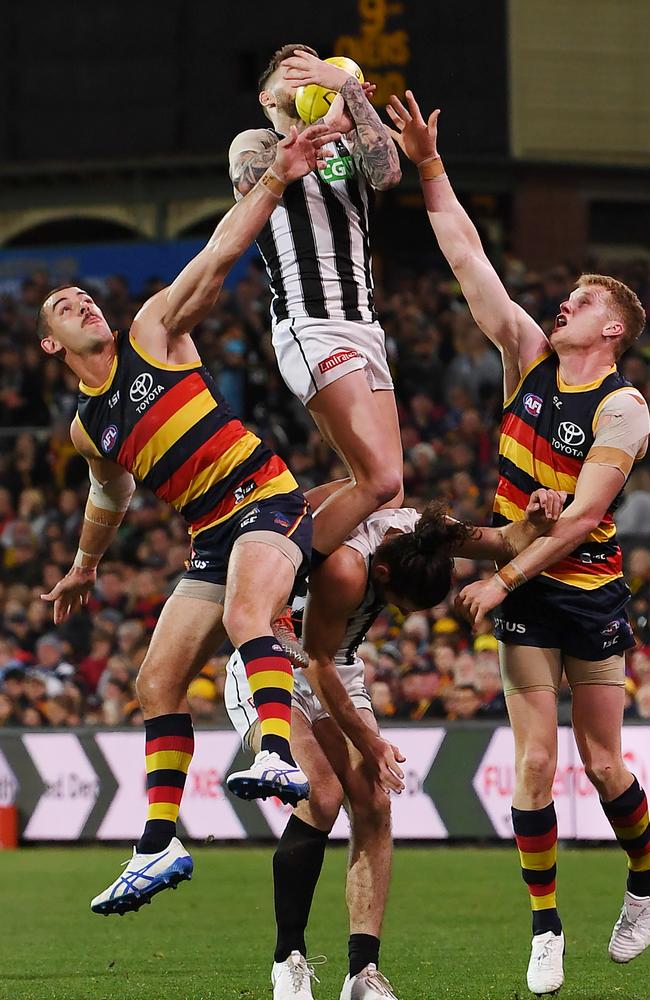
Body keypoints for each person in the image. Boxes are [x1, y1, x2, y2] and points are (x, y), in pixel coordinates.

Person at [35, 123, 339, 916]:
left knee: (248, 612)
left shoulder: (151, 335)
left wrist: (274, 179)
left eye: (85, 296)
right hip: (213, 533)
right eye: (66, 304)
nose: (83, 303)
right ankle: (157, 843)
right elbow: (111, 495)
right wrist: (85, 565)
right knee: (156, 681)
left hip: (267, 497)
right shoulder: (87, 427)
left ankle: (276, 750)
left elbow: (214, 258)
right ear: (50, 341)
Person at [385, 90, 650, 994]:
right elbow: (469, 260)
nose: (561, 303)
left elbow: (579, 519)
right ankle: (546, 926)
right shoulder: (527, 357)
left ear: (610, 328)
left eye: (579, 300)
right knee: (534, 760)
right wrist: (427, 164)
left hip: (590, 587)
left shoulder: (622, 405)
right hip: (525, 579)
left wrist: (499, 578)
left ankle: (644, 883)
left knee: (604, 760)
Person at [225, 488, 564, 1000]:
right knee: (321, 793)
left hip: (335, 665)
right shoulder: (346, 568)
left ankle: (362, 974)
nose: (399, 615)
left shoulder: (430, 532)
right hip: (274, 664)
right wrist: (373, 742)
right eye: (400, 606)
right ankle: (288, 960)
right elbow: (316, 663)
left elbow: (504, 540)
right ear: (383, 576)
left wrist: (535, 521)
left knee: (375, 806)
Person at [228, 44, 404, 564]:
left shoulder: (346, 141)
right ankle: (277, 583)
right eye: (292, 70)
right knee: (379, 479)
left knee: (390, 496)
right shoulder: (257, 140)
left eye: (312, 66)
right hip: (312, 324)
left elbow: (389, 172)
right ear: (268, 95)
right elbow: (250, 181)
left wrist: (348, 91)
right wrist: (313, 132)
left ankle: (266, 528)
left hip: (366, 326)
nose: (305, 74)